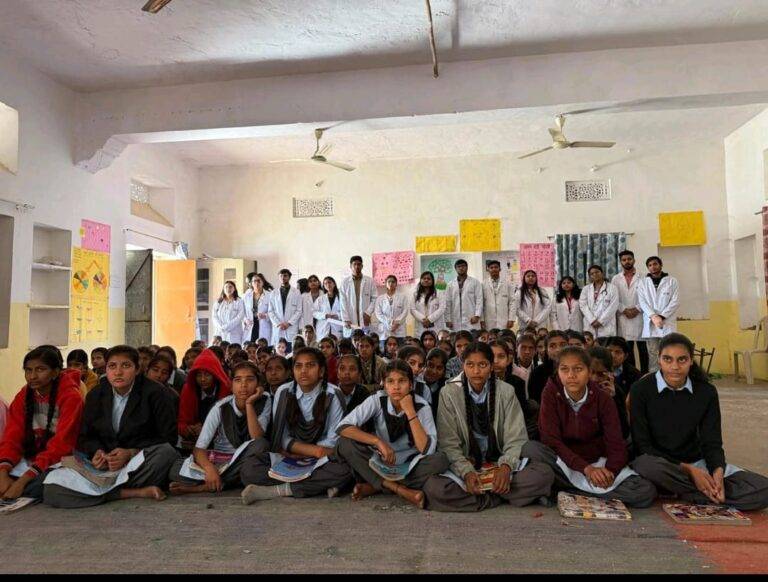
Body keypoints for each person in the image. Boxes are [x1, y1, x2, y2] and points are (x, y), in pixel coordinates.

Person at [630, 333, 768, 511]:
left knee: (763, 489)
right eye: (668, 359)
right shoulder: (641, 389)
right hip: (663, 466)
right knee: (645, 465)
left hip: (698, 464)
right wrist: (688, 471)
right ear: (659, 360)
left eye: (682, 360)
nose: (675, 367)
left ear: (691, 361)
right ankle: (701, 491)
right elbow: (643, 446)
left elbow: (712, 441)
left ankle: (694, 491)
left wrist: (717, 472)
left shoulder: (706, 392)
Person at [422, 342, 554, 512]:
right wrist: (467, 472)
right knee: (434, 488)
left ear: (491, 367)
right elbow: (448, 443)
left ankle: (479, 497)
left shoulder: (506, 391)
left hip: (498, 462)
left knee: (544, 474)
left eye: (482, 365)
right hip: (465, 464)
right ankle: (500, 496)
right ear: (463, 366)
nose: (476, 371)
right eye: (470, 365)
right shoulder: (449, 393)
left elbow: (517, 437)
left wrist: (506, 467)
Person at [43, 346, 180, 508]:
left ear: (137, 369)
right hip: (104, 467)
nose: (118, 372)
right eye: (112, 366)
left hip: (137, 464)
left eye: (126, 366)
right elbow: (85, 436)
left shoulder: (156, 393)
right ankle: (130, 493)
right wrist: (97, 453)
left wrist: (130, 453)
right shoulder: (96, 394)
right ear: (106, 369)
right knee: (51, 489)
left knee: (166, 453)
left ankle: (97, 491)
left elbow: (168, 438)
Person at [523, 347, 656, 508]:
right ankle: (586, 491)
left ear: (588, 371)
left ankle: (563, 491)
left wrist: (610, 472)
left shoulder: (603, 398)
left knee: (645, 491)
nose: (571, 375)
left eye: (578, 369)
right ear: (558, 372)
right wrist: (585, 469)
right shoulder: (550, 393)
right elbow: (551, 440)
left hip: (597, 462)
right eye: (564, 369)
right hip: (564, 463)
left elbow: (615, 441)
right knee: (531, 448)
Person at [240, 348, 353, 503]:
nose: (304, 371)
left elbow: (333, 440)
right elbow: (282, 434)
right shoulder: (283, 391)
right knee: (249, 469)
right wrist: (301, 450)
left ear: (321, 371)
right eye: (298, 366)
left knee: (345, 468)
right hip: (289, 455)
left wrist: (313, 452)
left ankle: (277, 490)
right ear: (293, 371)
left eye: (310, 365)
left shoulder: (333, 394)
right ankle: (318, 485)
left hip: (323, 458)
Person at [337, 360, 449, 508]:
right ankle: (400, 489)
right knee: (344, 443)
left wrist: (409, 411)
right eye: (390, 381)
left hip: (411, 464)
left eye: (402, 381)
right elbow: (343, 427)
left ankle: (376, 485)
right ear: (384, 384)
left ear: (411, 385)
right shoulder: (377, 399)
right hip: (381, 461)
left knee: (440, 461)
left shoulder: (422, 406)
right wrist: (377, 441)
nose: (396, 387)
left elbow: (426, 450)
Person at [169, 361, 272, 496]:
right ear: (231, 384)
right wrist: (210, 469)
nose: (243, 385)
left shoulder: (265, 400)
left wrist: (249, 403)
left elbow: (256, 436)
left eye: (250, 380)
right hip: (221, 461)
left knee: (260, 445)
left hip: (246, 460)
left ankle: (204, 487)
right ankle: (218, 481)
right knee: (175, 469)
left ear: (258, 384)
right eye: (238, 380)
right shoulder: (221, 407)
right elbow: (199, 449)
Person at [0, 347, 83, 500]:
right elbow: (12, 436)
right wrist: (3, 472)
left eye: (40, 369)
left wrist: (22, 482)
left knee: (46, 488)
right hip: (32, 457)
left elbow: (62, 446)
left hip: (62, 460)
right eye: (28, 370)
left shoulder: (71, 397)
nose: (32, 376)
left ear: (56, 372)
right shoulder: (23, 396)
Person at [178, 348, 232, 448]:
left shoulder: (227, 390)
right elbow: (182, 421)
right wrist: (188, 430)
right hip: (194, 442)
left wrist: (205, 429)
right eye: (199, 375)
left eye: (207, 374)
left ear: (215, 375)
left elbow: (228, 425)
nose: (202, 379)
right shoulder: (189, 389)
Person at [637, 256, 680, 373]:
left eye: (655, 264)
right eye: (650, 265)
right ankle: (654, 377)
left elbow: (675, 301)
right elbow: (642, 302)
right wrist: (653, 316)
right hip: (651, 323)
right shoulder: (643, 283)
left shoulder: (672, 281)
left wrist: (661, 316)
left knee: (669, 352)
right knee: (653, 353)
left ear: (661, 265)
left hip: (666, 323)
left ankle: (669, 374)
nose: (653, 267)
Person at [489, 340, 538, 440]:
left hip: (513, 425)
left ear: (508, 360)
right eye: (491, 357)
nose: (496, 361)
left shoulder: (517, 382)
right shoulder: (482, 381)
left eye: (501, 356)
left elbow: (521, 411)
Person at [612, 251, 647, 373]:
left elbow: (648, 296)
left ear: (634, 260)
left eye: (629, 259)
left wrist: (637, 309)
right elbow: (613, 298)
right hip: (623, 317)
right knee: (628, 350)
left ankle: (645, 375)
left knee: (643, 350)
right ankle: (631, 375)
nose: (627, 261)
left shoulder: (643, 276)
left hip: (640, 316)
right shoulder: (616, 279)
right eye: (624, 260)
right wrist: (624, 309)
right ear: (621, 262)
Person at [588, 345, 631, 442]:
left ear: (610, 373)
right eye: (590, 372)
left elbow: (623, 432)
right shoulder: (574, 389)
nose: (594, 379)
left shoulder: (616, 392)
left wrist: (611, 400)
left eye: (600, 374)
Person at [605, 336, 641, 439]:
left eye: (618, 352)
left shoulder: (634, 374)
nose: (612, 355)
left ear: (625, 356)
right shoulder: (596, 372)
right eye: (609, 351)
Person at [579, 265, 620, 341]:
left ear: (602, 273)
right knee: (590, 349)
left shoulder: (612, 288)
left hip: (606, 326)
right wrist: (592, 320)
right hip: (590, 324)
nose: (595, 274)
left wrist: (601, 321)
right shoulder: (586, 289)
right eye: (592, 273)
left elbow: (613, 306)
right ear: (590, 276)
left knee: (606, 348)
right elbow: (583, 305)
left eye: (597, 272)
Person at [340, 256, 377, 338]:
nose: (357, 266)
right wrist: (345, 319)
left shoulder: (369, 281)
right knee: (351, 342)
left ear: (362, 266)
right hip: (350, 319)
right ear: (350, 266)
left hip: (365, 318)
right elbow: (342, 302)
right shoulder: (345, 282)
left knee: (365, 342)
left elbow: (375, 298)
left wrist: (368, 312)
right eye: (354, 264)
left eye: (359, 264)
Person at [527, 331, 569, 405]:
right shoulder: (537, 373)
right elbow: (535, 401)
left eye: (562, 345)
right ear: (546, 350)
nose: (558, 349)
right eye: (552, 346)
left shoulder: (578, 370)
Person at [268, 269, 303, 351]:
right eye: (281, 276)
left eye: (285, 276)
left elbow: (299, 310)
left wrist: (289, 323)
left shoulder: (296, 292)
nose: (283, 278)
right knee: (278, 352)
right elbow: (270, 311)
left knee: (290, 351)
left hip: (290, 327)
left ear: (289, 277)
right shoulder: (273, 293)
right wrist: (278, 324)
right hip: (278, 327)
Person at [445, 259, 483, 333]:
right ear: (455, 269)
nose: (461, 268)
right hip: (455, 320)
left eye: (463, 266)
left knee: (472, 339)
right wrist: (447, 319)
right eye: (458, 266)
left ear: (467, 267)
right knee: (457, 340)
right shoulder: (450, 284)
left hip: (471, 318)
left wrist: (477, 315)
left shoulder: (475, 282)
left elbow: (479, 299)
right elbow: (447, 303)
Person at [481, 260, 515, 332]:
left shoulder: (508, 284)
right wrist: (482, 319)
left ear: (500, 269)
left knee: (503, 339)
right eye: (491, 267)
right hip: (488, 319)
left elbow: (512, 302)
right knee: (490, 340)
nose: (494, 269)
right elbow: (481, 303)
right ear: (488, 269)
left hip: (504, 320)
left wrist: (511, 319)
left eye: (496, 267)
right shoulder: (483, 284)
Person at [410, 271, 446, 337]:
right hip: (421, 326)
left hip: (436, 326)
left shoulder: (439, 293)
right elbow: (412, 309)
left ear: (432, 281)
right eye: (424, 278)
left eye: (429, 279)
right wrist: (423, 319)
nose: (426, 280)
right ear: (421, 280)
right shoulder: (415, 294)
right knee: (421, 343)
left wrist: (429, 319)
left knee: (436, 343)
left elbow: (442, 308)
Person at [374, 275, 409, 343]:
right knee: (385, 351)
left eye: (393, 282)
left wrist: (397, 323)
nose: (391, 283)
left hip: (399, 330)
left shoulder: (403, 297)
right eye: (389, 282)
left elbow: (405, 311)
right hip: (385, 330)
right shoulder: (380, 298)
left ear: (396, 284)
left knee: (400, 351)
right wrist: (389, 322)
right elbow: (378, 313)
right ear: (385, 284)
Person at [242, 272, 274, 345]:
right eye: (254, 281)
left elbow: (274, 312)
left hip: (263, 324)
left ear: (263, 282)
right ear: (251, 283)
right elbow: (242, 312)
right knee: (249, 347)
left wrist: (265, 315)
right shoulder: (246, 296)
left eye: (259, 281)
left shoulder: (270, 295)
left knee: (261, 347)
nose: (256, 283)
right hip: (250, 325)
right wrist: (245, 319)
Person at [212, 280, 247, 345]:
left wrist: (227, 327)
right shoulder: (218, 302)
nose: (228, 289)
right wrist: (221, 327)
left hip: (234, 333)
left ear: (234, 289)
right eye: (226, 287)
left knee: (234, 351)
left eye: (230, 287)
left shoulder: (239, 301)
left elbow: (240, 317)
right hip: (220, 332)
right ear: (223, 289)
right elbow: (214, 316)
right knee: (220, 351)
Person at [313, 276, 344, 341]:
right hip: (323, 326)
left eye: (329, 282)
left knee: (336, 345)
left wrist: (338, 315)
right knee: (323, 346)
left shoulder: (341, 298)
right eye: (325, 283)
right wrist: (325, 315)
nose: (328, 285)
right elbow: (314, 312)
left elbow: (345, 311)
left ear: (334, 284)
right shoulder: (320, 299)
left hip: (337, 326)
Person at [423, 348, 449, 414]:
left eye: (439, 368)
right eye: (431, 365)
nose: (434, 371)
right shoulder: (416, 384)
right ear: (424, 364)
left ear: (444, 371)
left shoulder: (447, 388)